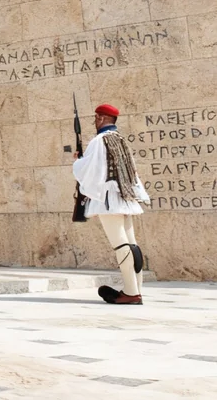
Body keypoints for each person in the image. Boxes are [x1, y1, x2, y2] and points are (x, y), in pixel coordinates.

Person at [73, 104, 150, 305]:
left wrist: (78, 161)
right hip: (125, 197)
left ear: (100, 118)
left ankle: (132, 293)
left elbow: (89, 169)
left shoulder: (99, 141)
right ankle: (136, 288)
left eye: (96, 118)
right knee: (132, 244)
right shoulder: (120, 139)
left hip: (108, 200)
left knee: (121, 244)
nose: (95, 122)